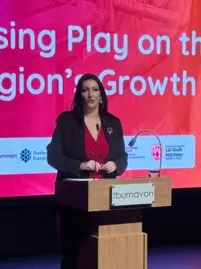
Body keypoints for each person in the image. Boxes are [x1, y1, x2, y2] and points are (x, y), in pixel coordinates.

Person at [46, 73, 128, 269]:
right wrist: (80, 166)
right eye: (85, 90)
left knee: (106, 254)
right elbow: (53, 156)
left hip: (106, 200)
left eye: (94, 89)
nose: (90, 94)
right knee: (75, 256)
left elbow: (122, 158)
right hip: (76, 201)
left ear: (101, 95)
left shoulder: (113, 123)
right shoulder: (67, 121)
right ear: (79, 95)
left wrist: (115, 165)